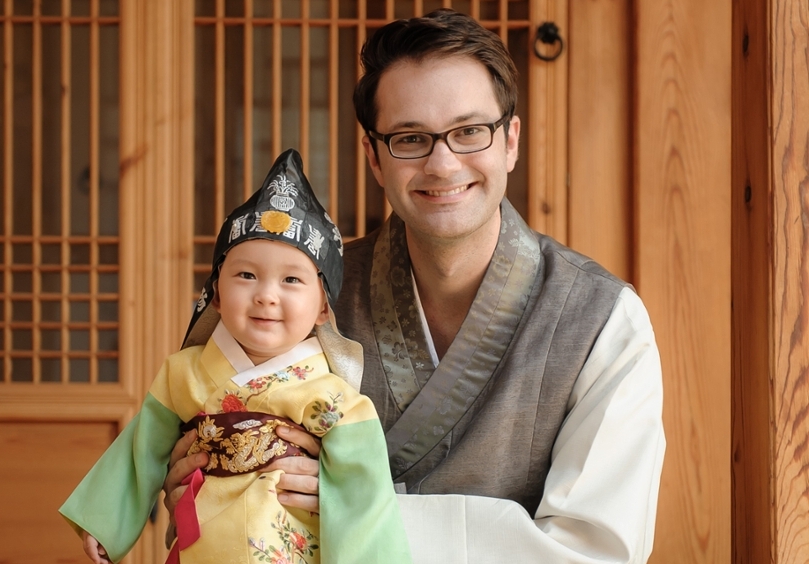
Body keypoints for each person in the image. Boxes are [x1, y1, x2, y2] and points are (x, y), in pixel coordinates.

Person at [166, 9, 666, 563]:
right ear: (374, 158)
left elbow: (595, 550)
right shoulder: (295, 293)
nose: (443, 163)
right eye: (410, 138)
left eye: (470, 131)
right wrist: (197, 483)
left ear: (510, 142)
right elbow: (200, 466)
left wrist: (356, 508)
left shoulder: (602, 319)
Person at [60, 149, 412, 564]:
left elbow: (364, 494)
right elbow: (141, 452)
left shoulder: (336, 399)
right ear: (217, 297)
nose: (265, 294)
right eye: (246, 275)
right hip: (203, 546)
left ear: (322, 309)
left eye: (292, 279)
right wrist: (106, 523)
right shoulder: (181, 374)